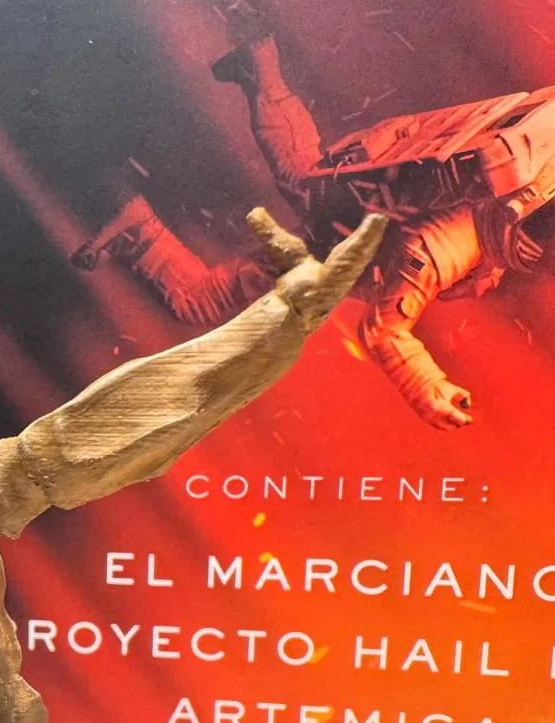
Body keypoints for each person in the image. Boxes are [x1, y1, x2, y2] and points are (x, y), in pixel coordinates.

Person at [73, 36, 555, 430]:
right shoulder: (443, 249)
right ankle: (136, 227)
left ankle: (258, 69)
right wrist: (427, 388)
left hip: (365, 199)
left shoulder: (523, 174)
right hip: (337, 243)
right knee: (200, 299)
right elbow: (383, 332)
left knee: (299, 172)